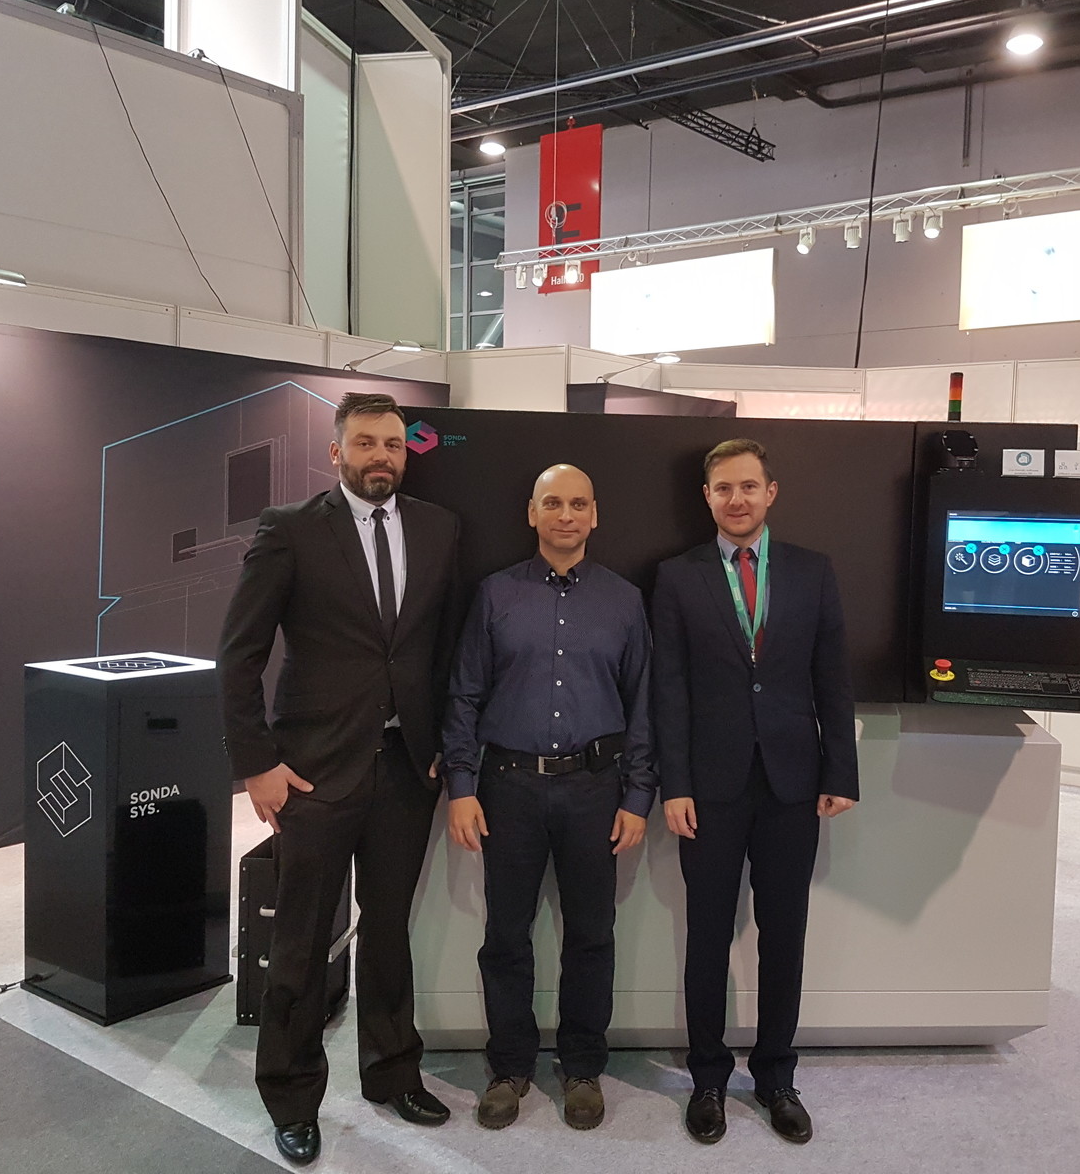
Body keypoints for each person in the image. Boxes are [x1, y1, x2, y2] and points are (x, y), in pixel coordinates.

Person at [219, 392, 462, 1167]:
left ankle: (392, 1074)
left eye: (392, 443)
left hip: (406, 770)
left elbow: (443, 651)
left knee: (389, 933)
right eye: (365, 443)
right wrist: (256, 763)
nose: (381, 456)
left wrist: (442, 746)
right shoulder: (289, 529)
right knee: (301, 942)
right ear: (336, 452)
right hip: (313, 773)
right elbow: (239, 654)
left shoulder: (438, 528)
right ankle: (292, 1097)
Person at [651, 437, 859, 1146]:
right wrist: (674, 783)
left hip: (793, 784)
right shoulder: (676, 577)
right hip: (708, 788)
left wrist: (840, 771)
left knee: (784, 934)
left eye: (748, 486)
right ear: (706, 497)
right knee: (707, 935)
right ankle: (708, 1077)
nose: (735, 499)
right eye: (723, 489)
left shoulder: (812, 571)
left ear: (771, 492)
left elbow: (833, 677)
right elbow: (669, 689)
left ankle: (775, 1076)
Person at [443, 464, 656, 1132]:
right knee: (505, 935)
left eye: (578, 504)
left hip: (596, 790)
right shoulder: (495, 594)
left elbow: (643, 705)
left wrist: (638, 795)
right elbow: (464, 695)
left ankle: (583, 1067)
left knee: (591, 934)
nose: (567, 515)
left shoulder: (624, 601)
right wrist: (460, 787)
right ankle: (509, 1067)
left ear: (595, 515)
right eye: (553, 503)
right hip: (507, 789)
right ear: (532, 513)